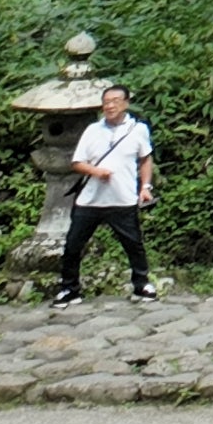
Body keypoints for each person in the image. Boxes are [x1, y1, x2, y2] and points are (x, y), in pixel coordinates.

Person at [55, 83, 158, 304]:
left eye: (115, 101)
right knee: (73, 245)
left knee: (133, 244)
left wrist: (146, 187)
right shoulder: (93, 130)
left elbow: (146, 158)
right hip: (90, 200)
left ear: (126, 103)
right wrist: (96, 171)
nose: (110, 106)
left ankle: (142, 285)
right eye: (106, 102)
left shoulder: (138, 129)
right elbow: (77, 162)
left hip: (122, 199)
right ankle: (69, 288)